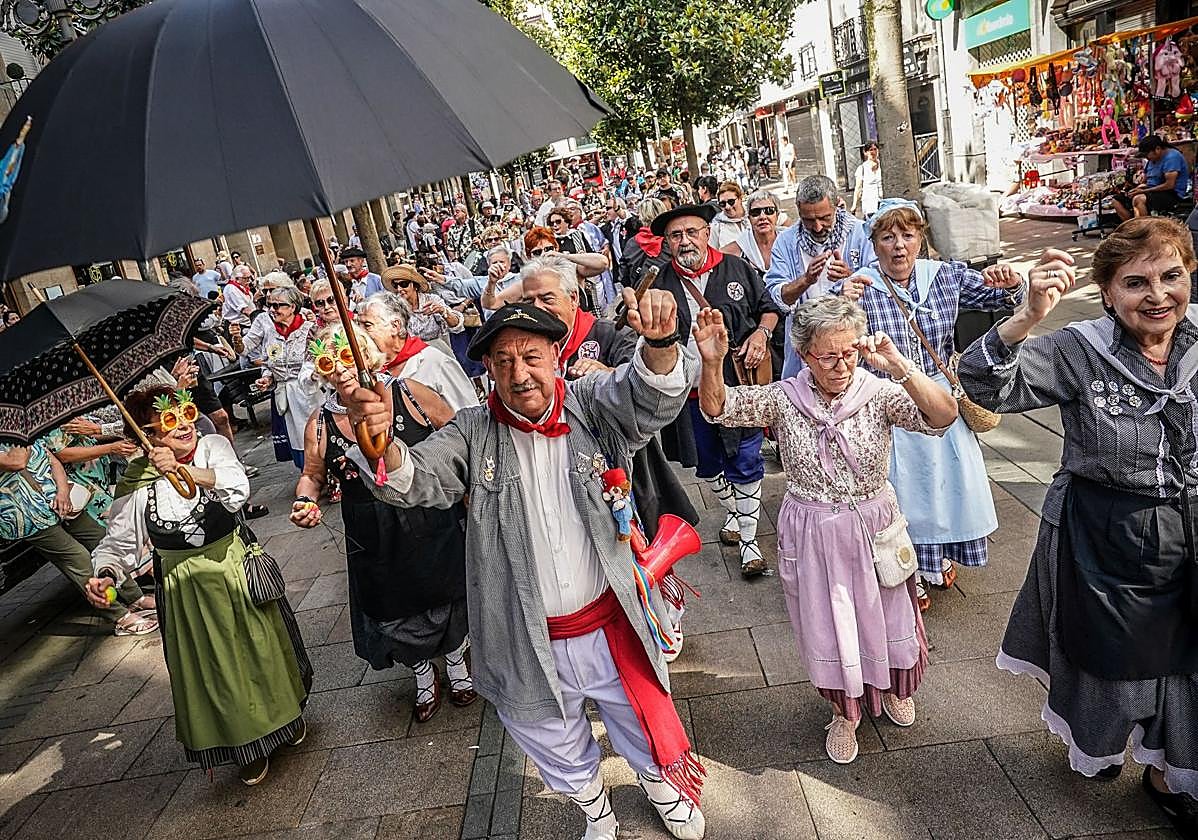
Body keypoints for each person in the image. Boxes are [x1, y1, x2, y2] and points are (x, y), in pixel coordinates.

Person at [334, 293, 706, 840]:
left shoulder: (591, 404)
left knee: (638, 717)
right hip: (522, 634)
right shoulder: (471, 431)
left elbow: (647, 399)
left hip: (610, 621)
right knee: (548, 734)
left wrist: (658, 344)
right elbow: (418, 480)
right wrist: (380, 441)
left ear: (557, 354)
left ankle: (660, 785)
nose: (520, 373)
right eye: (503, 361)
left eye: (531, 356)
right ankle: (595, 812)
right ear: (486, 369)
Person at [958, 218, 1198, 834]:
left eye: (1172, 276)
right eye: (1135, 282)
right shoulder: (1079, 348)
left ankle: (1172, 771)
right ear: (1109, 291)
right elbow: (986, 383)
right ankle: (1103, 743)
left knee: (1187, 661)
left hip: (1190, 530)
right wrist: (1026, 315)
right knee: (1115, 662)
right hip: (1105, 534)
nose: (1158, 295)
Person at [697, 297, 956, 763]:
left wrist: (898, 363)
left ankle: (895, 688)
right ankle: (843, 712)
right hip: (812, 527)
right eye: (827, 355)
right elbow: (719, 408)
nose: (840, 365)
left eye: (849, 353)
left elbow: (943, 415)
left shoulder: (877, 392)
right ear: (805, 353)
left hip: (874, 521)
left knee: (891, 612)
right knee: (828, 623)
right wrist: (712, 362)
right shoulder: (785, 397)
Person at [84, 386, 311, 785]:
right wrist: (103, 575)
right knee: (214, 668)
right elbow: (118, 543)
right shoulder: (137, 481)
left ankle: (286, 719)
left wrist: (182, 469)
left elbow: (237, 490)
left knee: (260, 650)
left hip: (231, 567)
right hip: (184, 588)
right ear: (147, 435)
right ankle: (243, 743)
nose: (186, 424)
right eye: (169, 421)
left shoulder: (212, 447)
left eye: (186, 411)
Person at [840, 199, 1025, 609]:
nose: (899, 246)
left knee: (943, 486)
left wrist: (1010, 281)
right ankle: (908, 569)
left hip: (939, 393)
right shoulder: (863, 284)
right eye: (888, 237)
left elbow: (1003, 300)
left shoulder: (944, 275)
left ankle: (934, 557)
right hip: (888, 398)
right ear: (874, 243)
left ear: (921, 238)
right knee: (902, 488)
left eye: (908, 235)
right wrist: (843, 301)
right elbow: (837, 338)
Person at [292, 324, 474, 722]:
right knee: (393, 605)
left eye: (348, 354)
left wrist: (470, 490)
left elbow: (459, 436)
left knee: (450, 591)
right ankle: (423, 673)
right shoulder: (320, 423)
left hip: (431, 518)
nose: (340, 367)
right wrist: (305, 499)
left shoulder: (410, 394)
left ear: (367, 354)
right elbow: (313, 473)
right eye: (329, 360)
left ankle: (458, 664)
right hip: (372, 534)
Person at [653, 203, 785, 577]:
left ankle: (748, 542)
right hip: (687, 394)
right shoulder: (660, 284)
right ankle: (734, 510)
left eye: (692, 232)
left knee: (746, 460)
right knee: (707, 466)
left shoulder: (736, 269)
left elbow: (769, 308)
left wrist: (762, 333)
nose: (685, 241)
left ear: (706, 234)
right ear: (667, 243)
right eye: (676, 236)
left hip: (738, 388)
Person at [0, 438, 157, 636]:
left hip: (63, 503)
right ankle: (120, 617)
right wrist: (16, 435)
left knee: (102, 541)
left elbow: (53, 460)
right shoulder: (17, 437)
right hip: (26, 516)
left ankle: (135, 597)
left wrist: (63, 491)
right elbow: (17, 462)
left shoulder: (22, 433)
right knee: (77, 559)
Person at [765, 175, 876, 377]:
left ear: (836, 206)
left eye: (824, 218)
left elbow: (883, 282)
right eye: (809, 220)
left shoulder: (861, 233)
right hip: (808, 347)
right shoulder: (785, 242)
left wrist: (852, 276)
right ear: (798, 210)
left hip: (852, 343)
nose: (817, 227)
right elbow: (777, 298)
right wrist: (806, 280)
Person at [356, 292, 479, 412]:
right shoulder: (366, 368)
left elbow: (470, 415)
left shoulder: (436, 362)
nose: (358, 332)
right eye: (357, 325)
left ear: (395, 326)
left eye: (367, 325)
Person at [257, 286, 317, 468]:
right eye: (270, 305)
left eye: (279, 305)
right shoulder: (271, 334)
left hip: (309, 392)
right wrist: (267, 377)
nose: (273, 310)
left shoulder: (310, 330)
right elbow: (269, 362)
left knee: (316, 434)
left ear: (293, 307)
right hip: (286, 396)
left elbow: (317, 361)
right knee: (298, 438)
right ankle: (310, 474)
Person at [381, 264, 463, 350]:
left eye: (404, 284)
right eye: (395, 285)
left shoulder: (431, 300)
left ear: (415, 286)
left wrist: (443, 311)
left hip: (437, 351)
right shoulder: (394, 308)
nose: (399, 289)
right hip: (410, 355)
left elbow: (456, 325)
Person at [1113, 135, 1191, 220]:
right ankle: (1133, 225)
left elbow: (1169, 185)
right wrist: (1138, 187)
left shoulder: (1172, 157)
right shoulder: (1152, 160)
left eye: (1147, 155)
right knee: (1116, 200)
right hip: (1152, 190)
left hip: (1171, 194)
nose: (1147, 158)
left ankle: (1144, 229)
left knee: (1138, 199)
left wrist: (1144, 190)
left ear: (1157, 149)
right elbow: (1147, 180)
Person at [722, 190, 780, 273]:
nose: (762, 217)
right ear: (749, 218)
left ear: (777, 215)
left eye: (769, 210)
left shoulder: (790, 242)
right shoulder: (736, 250)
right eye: (755, 212)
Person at [709, 182, 749, 250]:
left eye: (731, 202)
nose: (727, 207)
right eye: (722, 204)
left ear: (740, 199)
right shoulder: (716, 225)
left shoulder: (753, 217)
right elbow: (712, 250)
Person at [851, 142, 883, 219]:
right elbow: (858, 188)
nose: (873, 152)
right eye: (870, 150)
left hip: (883, 203)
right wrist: (854, 205)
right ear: (865, 152)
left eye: (875, 149)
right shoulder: (862, 169)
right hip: (870, 205)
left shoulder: (883, 165)